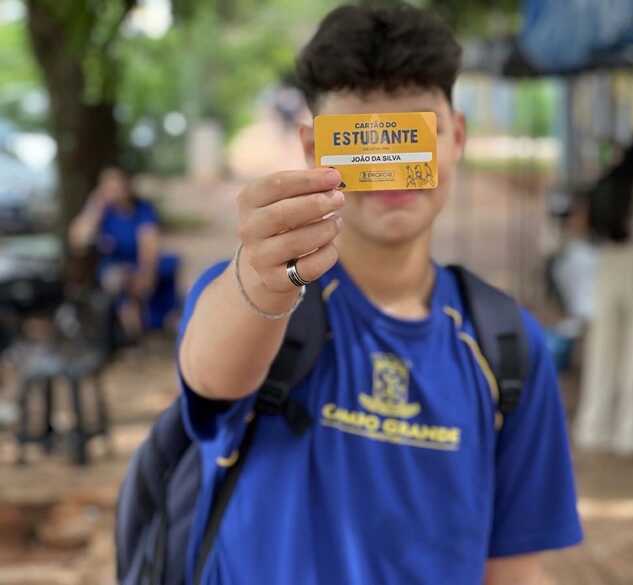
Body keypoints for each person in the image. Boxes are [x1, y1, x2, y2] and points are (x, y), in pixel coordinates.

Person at [177, 4, 582, 584]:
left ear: (456, 137)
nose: (390, 166)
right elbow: (213, 375)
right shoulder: (258, 298)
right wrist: (259, 279)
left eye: (413, 134)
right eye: (360, 140)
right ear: (315, 148)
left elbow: (514, 568)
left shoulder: (510, 346)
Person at [575, 131, 633, 455]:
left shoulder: (607, 180)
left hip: (607, 262)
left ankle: (594, 426)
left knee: (603, 346)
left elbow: (583, 224)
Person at [70, 167, 177, 340]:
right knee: (120, 284)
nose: (115, 191)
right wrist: (95, 206)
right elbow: (78, 241)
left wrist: (146, 272)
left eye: (118, 185)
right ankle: (133, 335)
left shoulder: (143, 210)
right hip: (113, 269)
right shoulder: (102, 212)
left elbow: (149, 244)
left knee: (158, 274)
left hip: (140, 264)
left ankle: (149, 329)